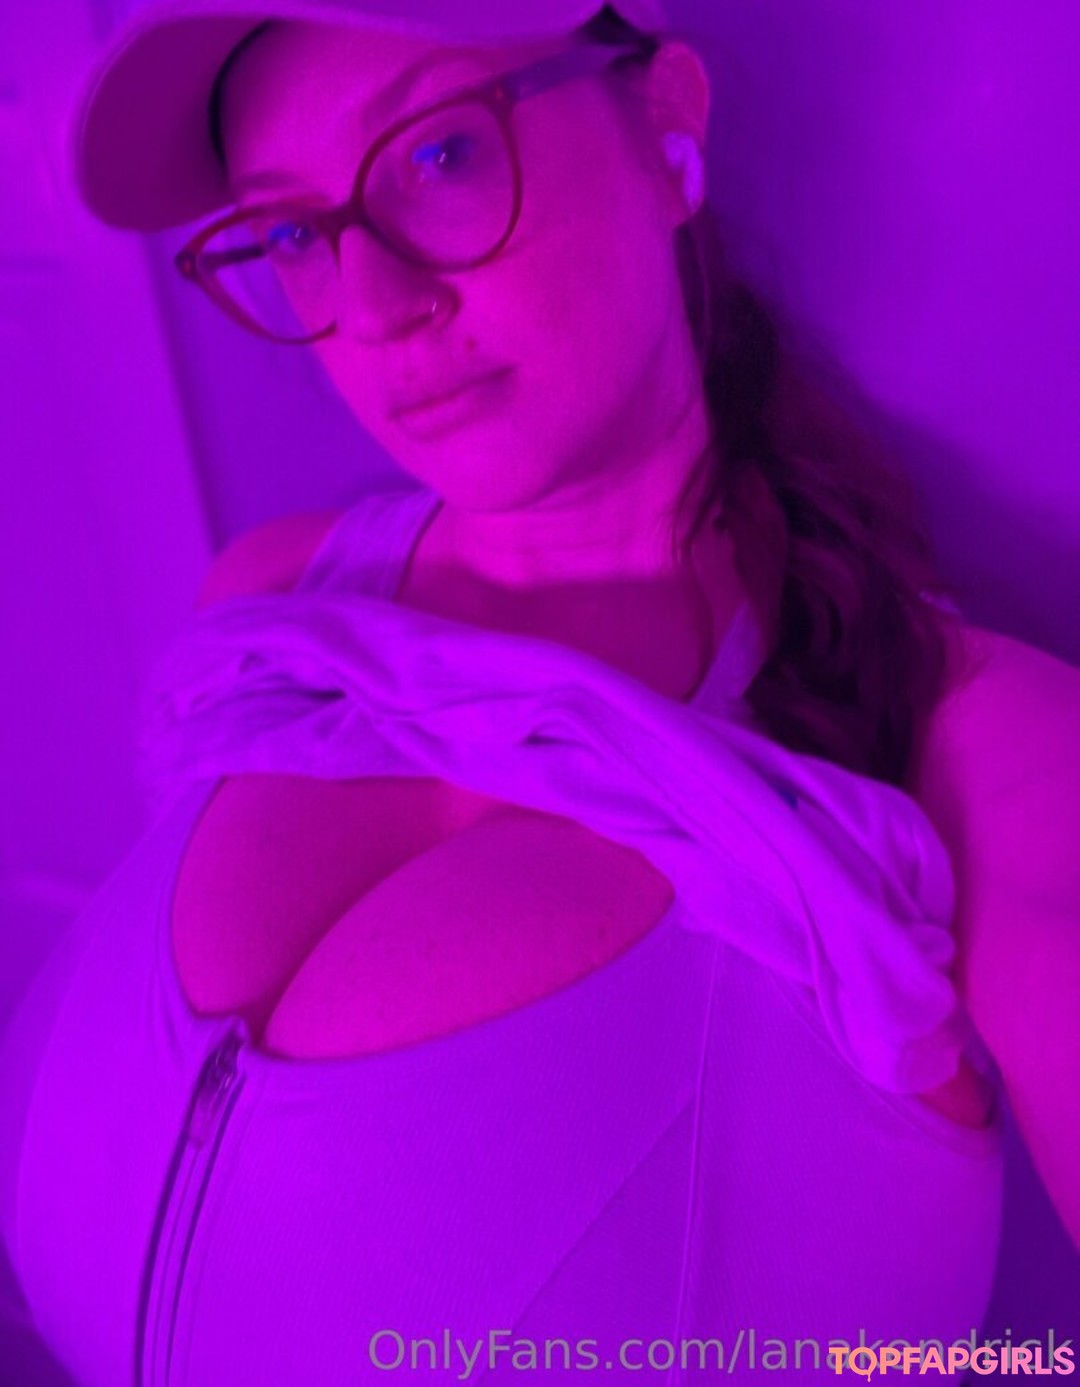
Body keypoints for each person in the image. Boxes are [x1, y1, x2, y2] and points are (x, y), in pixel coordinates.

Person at [1, 0, 1077, 1382]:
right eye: (293, 232)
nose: (376, 310)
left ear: (665, 119)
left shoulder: (981, 761)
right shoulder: (272, 597)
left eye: (441, 155)